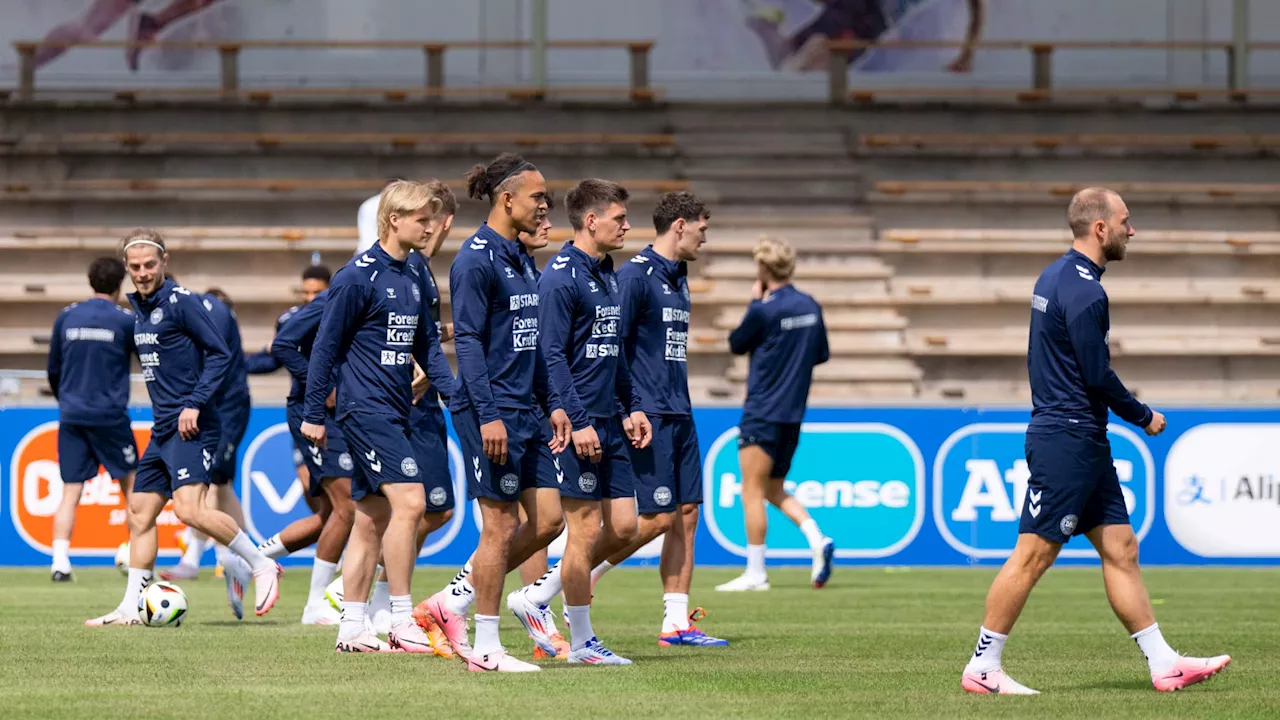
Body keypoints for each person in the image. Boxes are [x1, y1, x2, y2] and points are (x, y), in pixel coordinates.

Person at [960, 188, 1230, 695]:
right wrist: (1143, 415)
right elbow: (1096, 374)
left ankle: (1164, 663)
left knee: (1121, 548)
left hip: (1081, 439)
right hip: (1068, 440)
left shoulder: (1054, 274)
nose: (1134, 230)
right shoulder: (1087, 292)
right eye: (1126, 221)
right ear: (1100, 228)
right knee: (1033, 555)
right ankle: (983, 667)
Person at [420, 154, 571, 672]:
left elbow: (534, 342)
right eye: (538, 197)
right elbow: (470, 342)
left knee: (549, 520)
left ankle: (451, 602)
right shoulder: (475, 260)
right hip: (492, 411)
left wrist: (552, 404)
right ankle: (486, 646)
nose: (546, 205)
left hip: (527, 410)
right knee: (501, 526)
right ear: (507, 199)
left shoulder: (522, 256)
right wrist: (487, 414)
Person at [87, 228, 281, 626]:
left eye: (150, 265)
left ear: (164, 262)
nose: (143, 273)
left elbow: (221, 354)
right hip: (164, 427)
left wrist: (195, 402)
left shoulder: (183, 302)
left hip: (193, 426)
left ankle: (261, 564)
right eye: (136, 266)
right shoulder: (138, 309)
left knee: (191, 511)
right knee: (140, 514)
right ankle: (130, 606)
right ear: (127, 267)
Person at [301, 180, 451, 653]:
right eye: (423, 219)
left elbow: (428, 347)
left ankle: (352, 628)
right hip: (365, 410)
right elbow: (325, 346)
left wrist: (460, 399)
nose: (431, 227)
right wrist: (312, 412)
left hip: (396, 409)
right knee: (411, 503)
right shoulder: (356, 276)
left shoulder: (415, 274)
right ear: (394, 220)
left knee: (370, 519)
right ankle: (402, 619)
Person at [509, 178, 652, 666]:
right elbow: (550, 355)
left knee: (627, 528)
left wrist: (631, 405)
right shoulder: (561, 276)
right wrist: (578, 416)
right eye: (619, 219)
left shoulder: (608, 272)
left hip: (611, 420)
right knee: (584, 529)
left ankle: (535, 598)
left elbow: (614, 352)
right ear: (591, 221)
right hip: (577, 426)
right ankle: (584, 643)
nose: (627, 226)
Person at [587, 191, 727, 647]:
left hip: (679, 408)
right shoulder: (635, 276)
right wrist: (628, 408)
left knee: (687, 514)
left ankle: (675, 622)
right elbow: (613, 347)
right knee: (655, 518)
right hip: (647, 412)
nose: (706, 239)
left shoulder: (678, 275)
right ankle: (572, 578)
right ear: (680, 225)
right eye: (702, 229)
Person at [716, 235, 833, 593]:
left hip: (762, 410)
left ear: (764, 268)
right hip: (793, 412)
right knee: (773, 488)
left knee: (751, 490)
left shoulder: (764, 308)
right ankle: (817, 539)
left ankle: (756, 572)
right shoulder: (810, 306)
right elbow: (822, 354)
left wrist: (754, 302)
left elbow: (736, 344)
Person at [263, 269, 356, 627]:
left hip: (343, 414)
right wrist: (325, 386)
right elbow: (281, 347)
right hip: (314, 414)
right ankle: (317, 603)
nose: (311, 296)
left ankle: (252, 560)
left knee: (331, 515)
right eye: (307, 291)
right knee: (344, 508)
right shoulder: (327, 306)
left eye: (317, 291)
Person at [46, 257, 140, 583]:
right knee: (132, 488)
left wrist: (68, 400)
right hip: (110, 415)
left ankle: (60, 563)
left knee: (70, 491)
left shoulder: (67, 316)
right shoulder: (126, 321)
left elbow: (53, 369)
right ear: (120, 285)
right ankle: (138, 559)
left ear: (90, 282)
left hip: (72, 413)